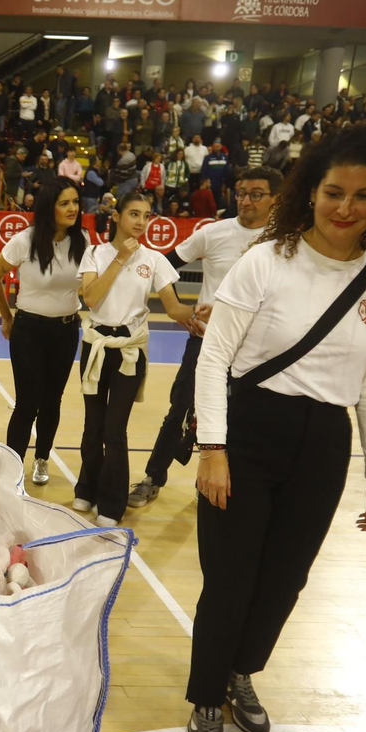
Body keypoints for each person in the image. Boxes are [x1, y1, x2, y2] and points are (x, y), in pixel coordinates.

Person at [186, 123, 366, 732]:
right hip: (247, 431)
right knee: (231, 579)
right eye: (334, 192)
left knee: (285, 580)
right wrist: (214, 446)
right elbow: (214, 359)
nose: (346, 207)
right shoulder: (267, 259)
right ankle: (206, 700)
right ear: (311, 192)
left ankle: (241, 673)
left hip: (325, 443)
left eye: (363, 195)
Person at [131, 167, 284, 508]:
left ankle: (236, 481)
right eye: (241, 192)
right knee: (178, 410)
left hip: (259, 348)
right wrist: (179, 307)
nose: (246, 200)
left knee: (246, 417)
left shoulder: (285, 242)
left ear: (277, 199)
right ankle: (153, 477)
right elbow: (163, 265)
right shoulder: (213, 233)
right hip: (207, 341)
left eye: (256, 194)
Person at [73, 191, 197, 525]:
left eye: (146, 216)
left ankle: (112, 503)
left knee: (115, 429)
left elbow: (173, 307)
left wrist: (201, 312)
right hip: (96, 346)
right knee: (93, 425)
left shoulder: (154, 259)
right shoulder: (95, 254)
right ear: (116, 217)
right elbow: (92, 299)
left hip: (130, 350)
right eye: (134, 214)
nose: (141, 222)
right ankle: (87, 488)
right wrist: (118, 260)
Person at [0, 178, 88, 486]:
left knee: (52, 400)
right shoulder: (25, 240)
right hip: (28, 329)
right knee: (28, 401)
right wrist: (7, 317)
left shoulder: (82, 239)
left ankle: (42, 458)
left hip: (67, 331)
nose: (73, 208)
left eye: (75, 202)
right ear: (49, 207)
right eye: (64, 203)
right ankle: (12, 465)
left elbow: (89, 285)